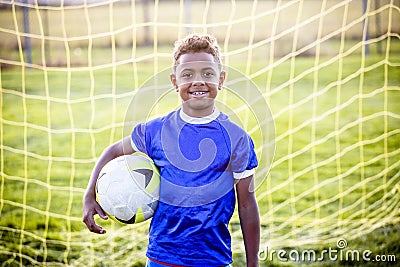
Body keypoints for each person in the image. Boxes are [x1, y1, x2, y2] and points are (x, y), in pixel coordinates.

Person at [82, 33, 260, 267]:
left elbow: (247, 205)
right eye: (187, 75)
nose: (198, 81)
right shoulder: (156, 131)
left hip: (212, 259)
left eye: (208, 73)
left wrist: (253, 264)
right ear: (175, 82)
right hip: (161, 257)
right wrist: (89, 195)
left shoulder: (237, 139)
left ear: (222, 78)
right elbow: (114, 151)